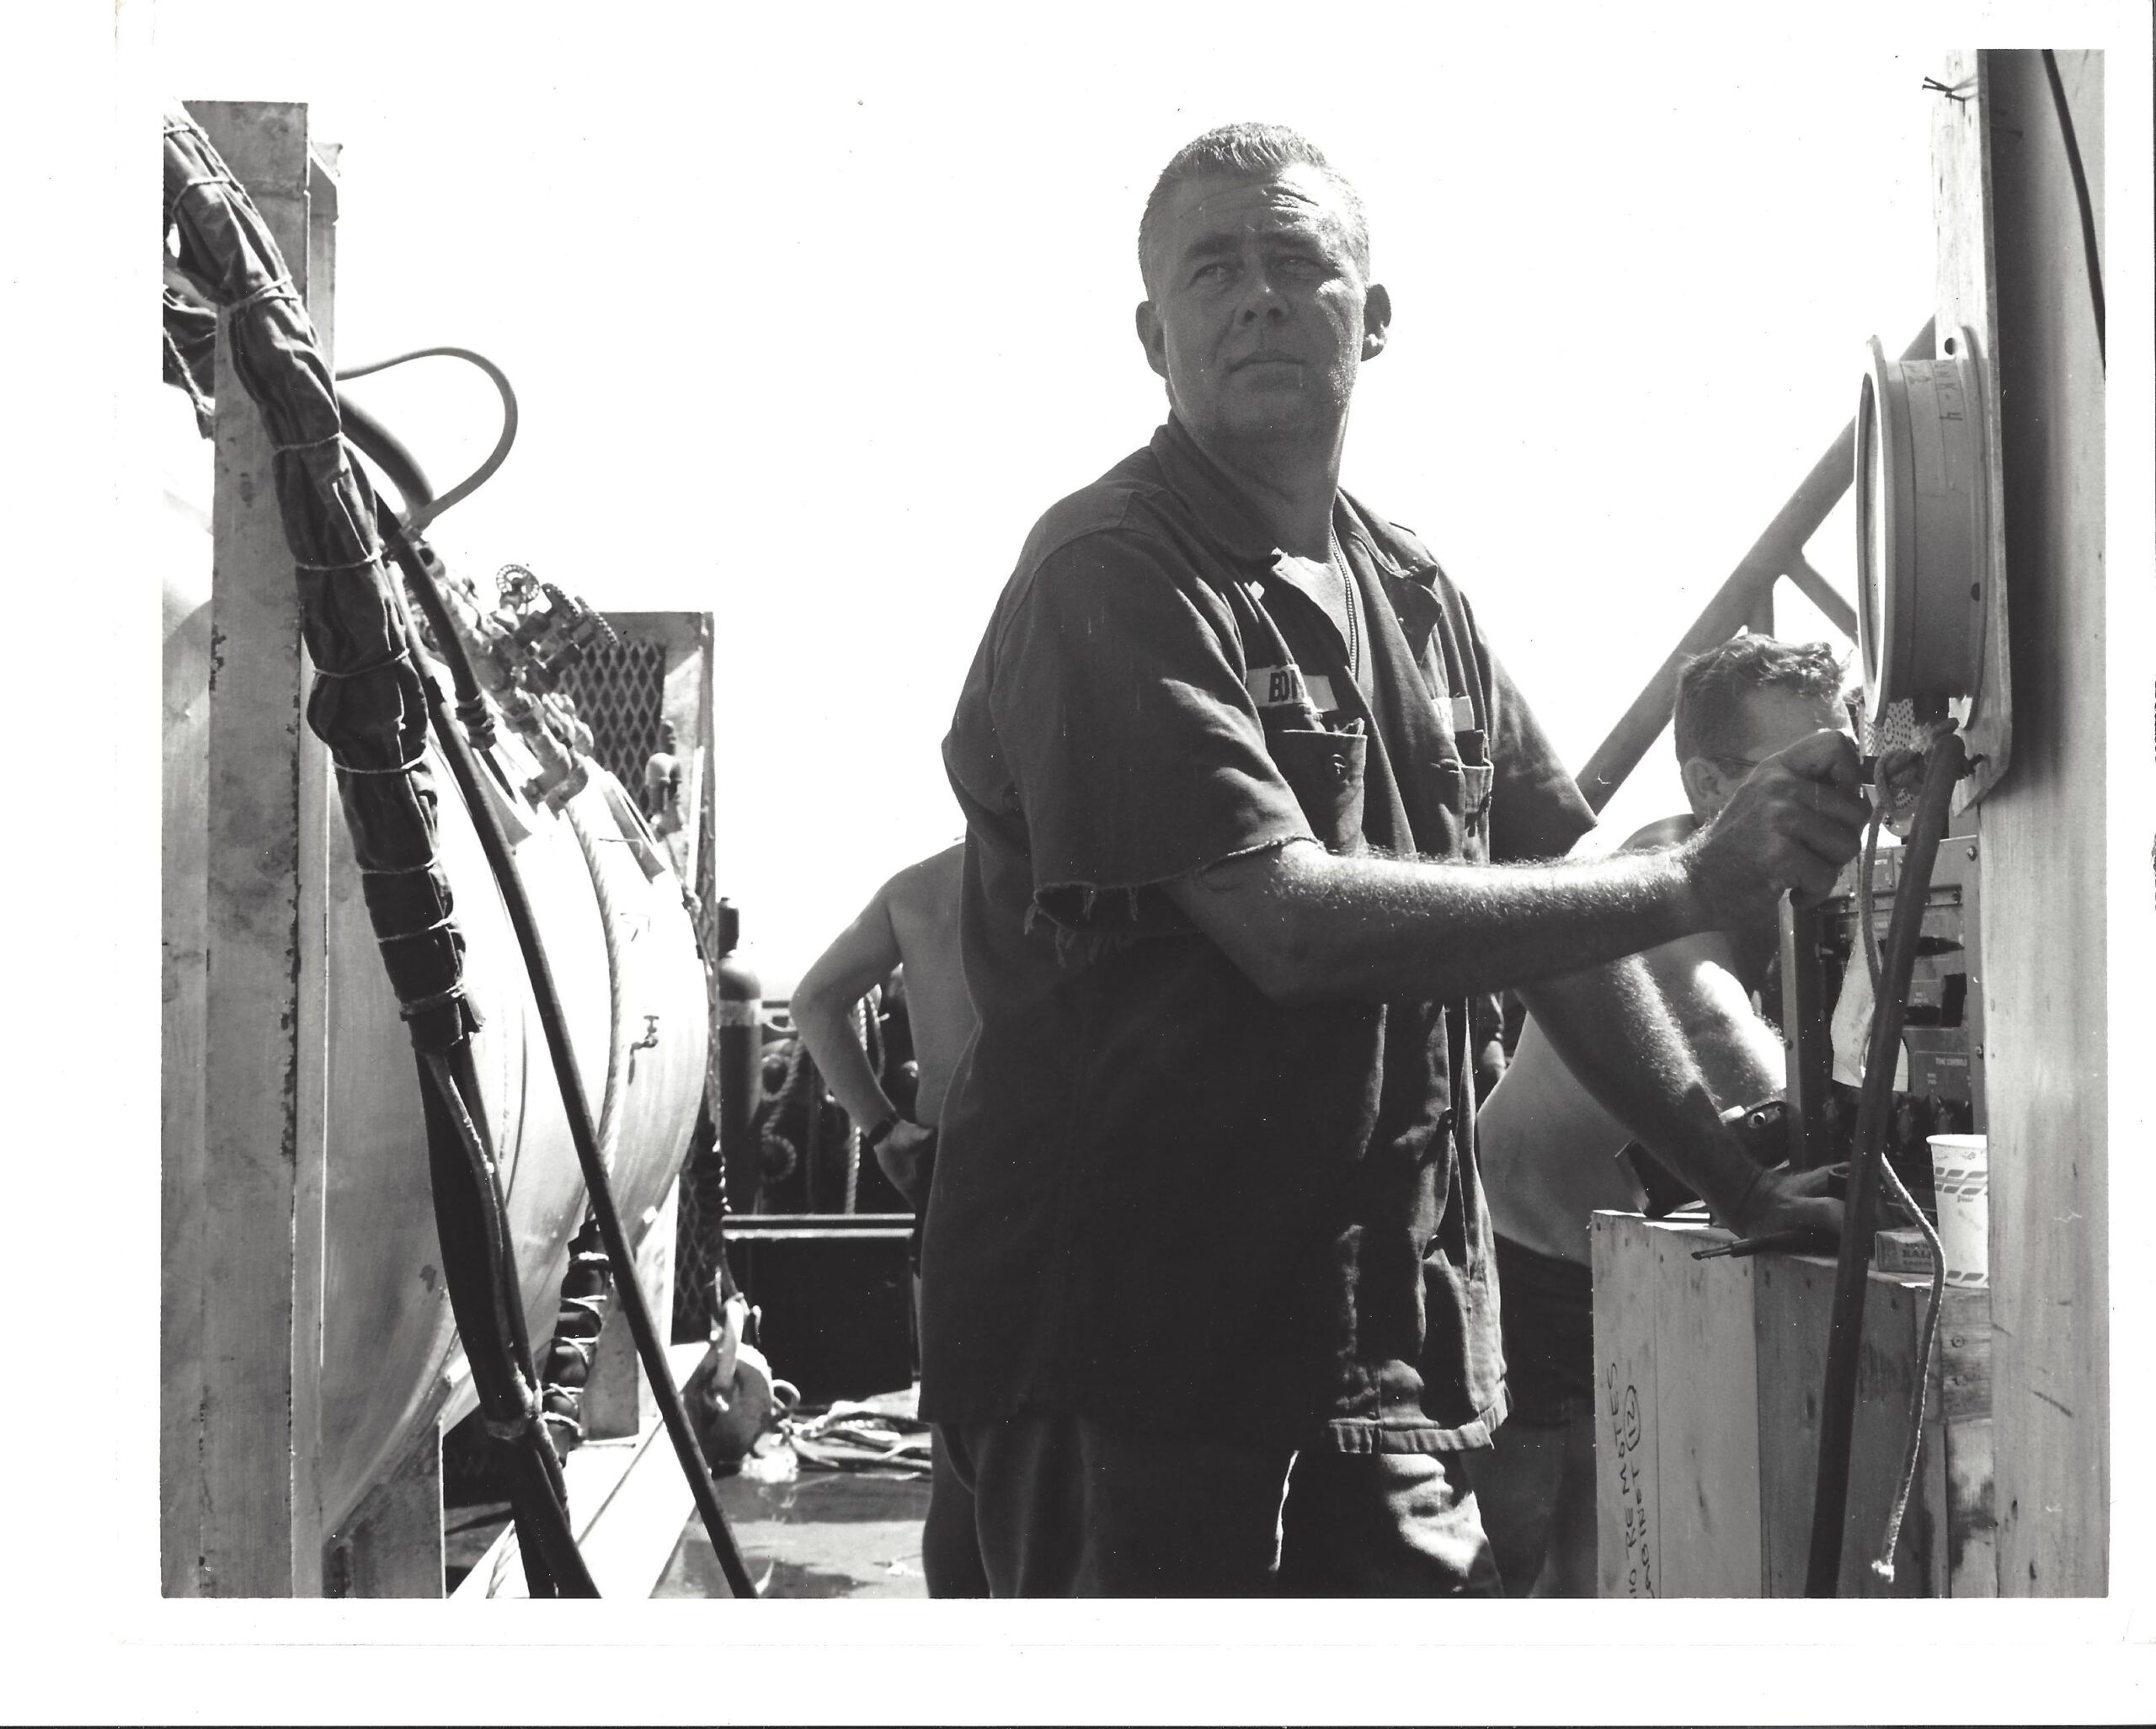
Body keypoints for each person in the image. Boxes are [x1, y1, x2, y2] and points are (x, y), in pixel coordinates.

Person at [920, 123, 1865, 1597]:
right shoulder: (1110, 569)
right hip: (1132, 1363)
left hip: (1380, 1356)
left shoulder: (1420, 595)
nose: (1258, 297)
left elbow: (1557, 913)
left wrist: (1732, 1189)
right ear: (1150, 333)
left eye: (1299, 261)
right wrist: (1690, 882)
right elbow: (1282, 921)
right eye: (1212, 268)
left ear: (1373, 314)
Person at [1466, 634, 1853, 1597]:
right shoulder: (1662, 873)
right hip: (1526, 1256)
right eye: (1802, 775)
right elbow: (1722, 1029)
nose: (1839, 800)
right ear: (1709, 785)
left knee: (1613, 1551)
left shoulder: (1803, 888)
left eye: (1846, 768)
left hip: (1617, 1247)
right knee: (1512, 1558)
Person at [788, 840, 989, 1596]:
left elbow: (813, 1001)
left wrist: (882, 1129)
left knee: (959, 1462)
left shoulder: (921, 888)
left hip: (954, 1173)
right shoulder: (1103, 864)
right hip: (1069, 1165)